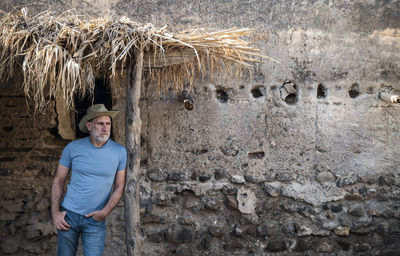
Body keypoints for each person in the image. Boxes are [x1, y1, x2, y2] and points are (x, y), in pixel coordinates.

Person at [51, 104, 127, 256]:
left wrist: (104, 212)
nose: (105, 128)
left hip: (95, 220)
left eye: (108, 123)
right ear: (89, 125)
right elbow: (59, 180)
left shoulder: (119, 152)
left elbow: (119, 186)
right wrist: (55, 213)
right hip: (69, 216)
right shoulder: (72, 148)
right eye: (100, 124)